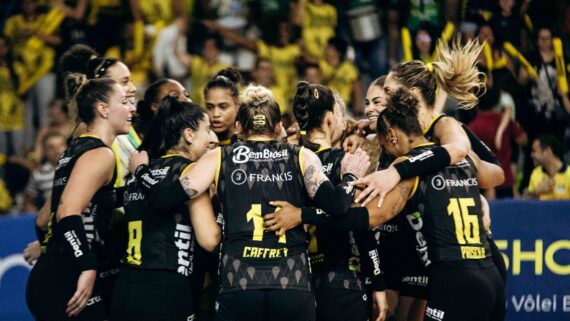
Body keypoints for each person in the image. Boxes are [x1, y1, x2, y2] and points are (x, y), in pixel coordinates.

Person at [129, 83, 370, 321]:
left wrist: (140, 170)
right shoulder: (301, 156)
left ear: (238, 127)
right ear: (278, 127)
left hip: (238, 283)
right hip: (291, 284)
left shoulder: (218, 157)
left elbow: (162, 197)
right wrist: (350, 176)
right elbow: (337, 205)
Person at [266, 89, 506, 321]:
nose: (387, 155)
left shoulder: (407, 169)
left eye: (384, 145)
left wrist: (302, 214)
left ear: (391, 136)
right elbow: (494, 174)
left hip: (455, 279)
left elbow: (365, 218)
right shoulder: (463, 157)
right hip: (492, 273)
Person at [26, 73, 135, 320]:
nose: (131, 108)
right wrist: (85, 265)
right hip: (67, 279)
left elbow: (43, 220)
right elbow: (66, 212)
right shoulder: (100, 154)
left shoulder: (74, 150)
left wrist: (51, 250)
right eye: (124, 102)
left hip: (48, 278)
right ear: (103, 109)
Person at [354, 37, 505, 207]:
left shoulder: (444, 125)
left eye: (388, 92)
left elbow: (465, 154)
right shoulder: (399, 127)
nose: (384, 99)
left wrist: (397, 171)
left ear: (412, 93)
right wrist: (361, 126)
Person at [111, 97, 221, 321]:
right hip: (166, 290)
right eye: (207, 130)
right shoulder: (190, 172)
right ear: (189, 135)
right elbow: (209, 239)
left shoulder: (143, 171)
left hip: (125, 287)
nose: (211, 137)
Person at [292, 81, 387, 321]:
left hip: (297, 282)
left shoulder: (290, 163)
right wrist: (378, 282)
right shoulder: (346, 164)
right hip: (342, 281)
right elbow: (363, 227)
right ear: (330, 119)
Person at [23, 132, 67, 212]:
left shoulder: (77, 166)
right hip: (51, 218)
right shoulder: (38, 174)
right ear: (45, 151)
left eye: (60, 145)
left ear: (67, 146)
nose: (56, 150)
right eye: (51, 147)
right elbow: (28, 202)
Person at [204, 68, 241, 146]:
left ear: (237, 105)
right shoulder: (199, 146)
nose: (216, 114)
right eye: (210, 107)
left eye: (223, 107)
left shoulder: (250, 144)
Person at [525, 135, 570, 200]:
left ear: (547, 151)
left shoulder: (569, 173)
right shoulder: (536, 173)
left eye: (534, 151)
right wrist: (536, 191)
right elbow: (524, 203)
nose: (531, 155)